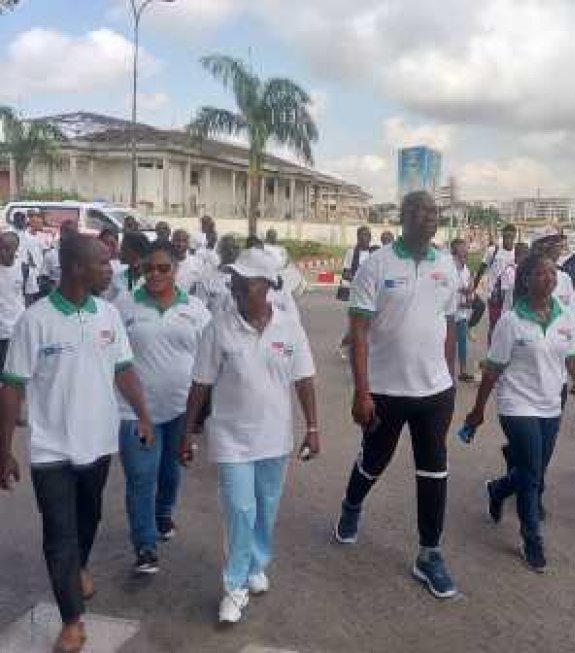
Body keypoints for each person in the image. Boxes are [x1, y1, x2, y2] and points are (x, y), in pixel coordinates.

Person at [0, 234, 154, 653]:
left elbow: (123, 369)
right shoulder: (35, 321)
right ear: (75, 268)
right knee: (58, 534)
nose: (112, 269)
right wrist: (4, 448)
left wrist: (142, 414)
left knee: (87, 520)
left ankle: (80, 566)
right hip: (51, 449)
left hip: (98, 442)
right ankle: (72, 621)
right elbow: (12, 386)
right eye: (104, 263)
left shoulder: (108, 315)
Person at [179, 247, 320, 624]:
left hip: (274, 438)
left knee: (265, 506)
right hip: (230, 438)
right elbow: (200, 383)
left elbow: (304, 378)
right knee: (240, 510)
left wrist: (313, 428)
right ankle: (234, 587)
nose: (237, 288)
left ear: (268, 285)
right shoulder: (218, 326)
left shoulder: (289, 327)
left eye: (246, 283)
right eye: (235, 282)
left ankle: (257, 564)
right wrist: (188, 431)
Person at [333, 191, 460, 599]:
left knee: (434, 469)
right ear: (404, 216)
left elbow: (450, 324)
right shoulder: (377, 264)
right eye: (422, 211)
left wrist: (451, 377)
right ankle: (352, 506)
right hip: (386, 391)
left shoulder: (446, 266)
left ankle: (430, 553)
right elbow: (359, 333)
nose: (430, 217)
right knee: (375, 459)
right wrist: (361, 391)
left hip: (435, 391)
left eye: (435, 212)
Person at [464, 252, 575, 571]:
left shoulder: (565, 316)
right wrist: (478, 410)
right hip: (516, 404)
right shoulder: (511, 321)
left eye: (553, 273)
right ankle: (531, 538)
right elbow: (494, 370)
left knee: (531, 470)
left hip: (551, 404)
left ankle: (497, 490)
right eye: (541, 273)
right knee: (532, 473)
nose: (549, 278)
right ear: (526, 279)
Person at [115, 240, 211, 574]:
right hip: (134, 412)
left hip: (179, 410)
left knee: (170, 472)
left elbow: (210, 361)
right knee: (141, 476)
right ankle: (145, 545)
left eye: (163, 268)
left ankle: (162, 513)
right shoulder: (124, 305)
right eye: (148, 268)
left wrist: (201, 417)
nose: (154, 274)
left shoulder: (196, 309)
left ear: (176, 269)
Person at [472, 224, 517, 342]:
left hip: (511, 294)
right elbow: (482, 268)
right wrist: (476, 288)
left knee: (508, 324)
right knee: (494, 324)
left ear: (515, 237)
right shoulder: (493, 250)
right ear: (502, 235)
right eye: (506, 236)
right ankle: (490, 354)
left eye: (511, 237)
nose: (508, 240)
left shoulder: (517, 252)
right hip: (495, 293)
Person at [0, 231, 38, 369]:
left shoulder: (25, 270)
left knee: (13, 370)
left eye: (6, 248)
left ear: (15, 249)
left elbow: (30, 302)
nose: (2, 251)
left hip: (16, 331)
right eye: (0, 247)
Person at [336, 226, 375, 356]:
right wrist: (357, 280)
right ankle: (344, 344)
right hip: (356, 293)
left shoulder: (374, 253)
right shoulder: (351, 253)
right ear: (358, 237)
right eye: (363, 235)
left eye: (368, 236)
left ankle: (364, 348)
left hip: (371, 293)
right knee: (357, 323)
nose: (366, 238)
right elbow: (346, 272)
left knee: (369, 323)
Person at [193, 235, 240, 314]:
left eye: (234, 247)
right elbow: (200, 309)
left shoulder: (245, 279)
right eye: (226, 248)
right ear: (219, 251)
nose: (230, 251)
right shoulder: (207, 278)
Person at [451, 238, 476, 383]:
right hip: (449, 313)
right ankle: (447, 372)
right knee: (448, 343)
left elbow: (470, 289)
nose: (465, 252)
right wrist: (462, 290)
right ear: (454, 252)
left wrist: (470, 297)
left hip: (462, 312)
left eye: (466, 251)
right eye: (462, 250)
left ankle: (462, 371)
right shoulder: (449, 267)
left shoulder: (465, 269)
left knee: (462, 343)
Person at [104, 231, 150, 303]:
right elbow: (106, 303)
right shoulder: (116, 277)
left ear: (135, 251)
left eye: (124, 249)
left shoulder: (152, 277)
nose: (120, 252)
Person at [42, 219, 80, 289]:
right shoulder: (50, 255)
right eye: (68, 231)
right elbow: (44, 279)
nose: (72, 235)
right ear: (61, 232)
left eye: (74, 232)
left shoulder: (82, 255)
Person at [494, 242, 530, 312]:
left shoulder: (511, 270)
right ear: (518, 256)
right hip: (510, 310)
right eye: (526, 255)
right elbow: (502, 294)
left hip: (516, 309)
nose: (528, 258)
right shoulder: (509, 271)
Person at [170, 228, 202, 293]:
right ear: (172, 242)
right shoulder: (163, 263)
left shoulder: (197, 263)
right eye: (177, 241)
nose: (180, 244)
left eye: (184, 241)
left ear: (188, 243)